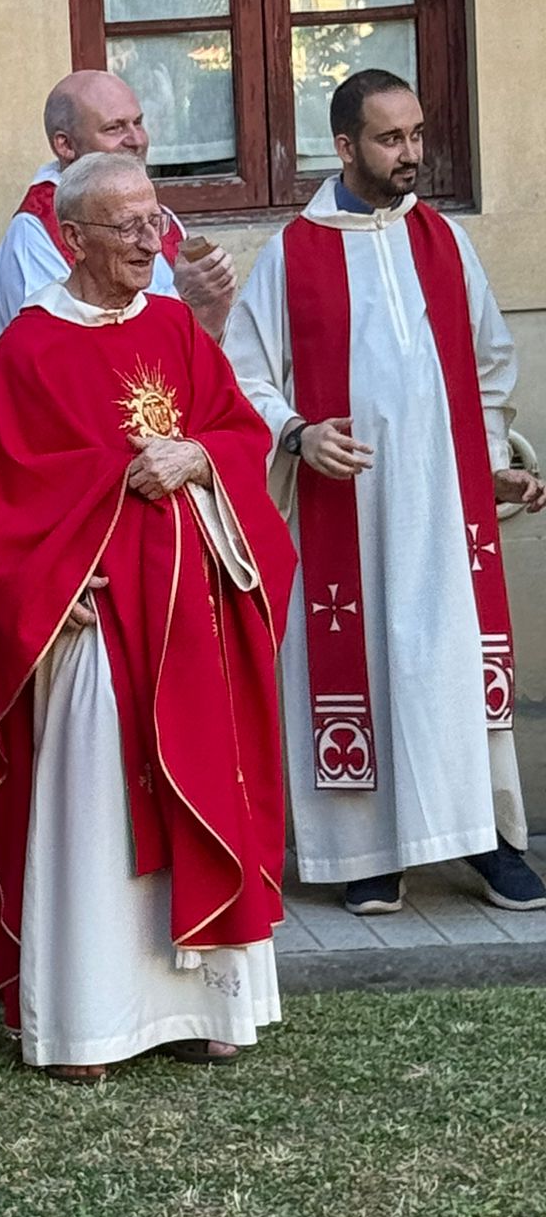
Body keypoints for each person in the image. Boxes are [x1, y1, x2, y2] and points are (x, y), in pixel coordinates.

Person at [0, 152, 295, 1080]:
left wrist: (195, 454)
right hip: (98, 625)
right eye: (127, 227)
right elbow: (3, 499)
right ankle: (89, 1022)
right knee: (98, 813)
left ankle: (206, 1004)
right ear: (73, 237)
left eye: (156, 220)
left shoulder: (174, 328)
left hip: (192, 616)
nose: (152, 241)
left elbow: (236, 429)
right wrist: (55, 587)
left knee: (205, 779)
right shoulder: (32, 347)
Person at [226, 70, 546, 916]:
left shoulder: (442, 240)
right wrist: (297, 435)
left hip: (445, 512)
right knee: (361, 669)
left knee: (450, 666)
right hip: (350, 508)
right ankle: (368, 854)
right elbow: (242, 378)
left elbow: (488, 368)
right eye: (391, 139)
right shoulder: (294, 254)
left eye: (415, 134)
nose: (412, 155)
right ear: (344, 147)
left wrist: (489, 467)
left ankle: (486, 838)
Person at [0, 70, 236, 340]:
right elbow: (59, 348)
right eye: (114, 128)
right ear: (65, 145)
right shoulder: (36, 233)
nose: (137, 140)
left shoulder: (159, 215)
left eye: (138, 123)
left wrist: (210, 307)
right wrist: (185, 299)